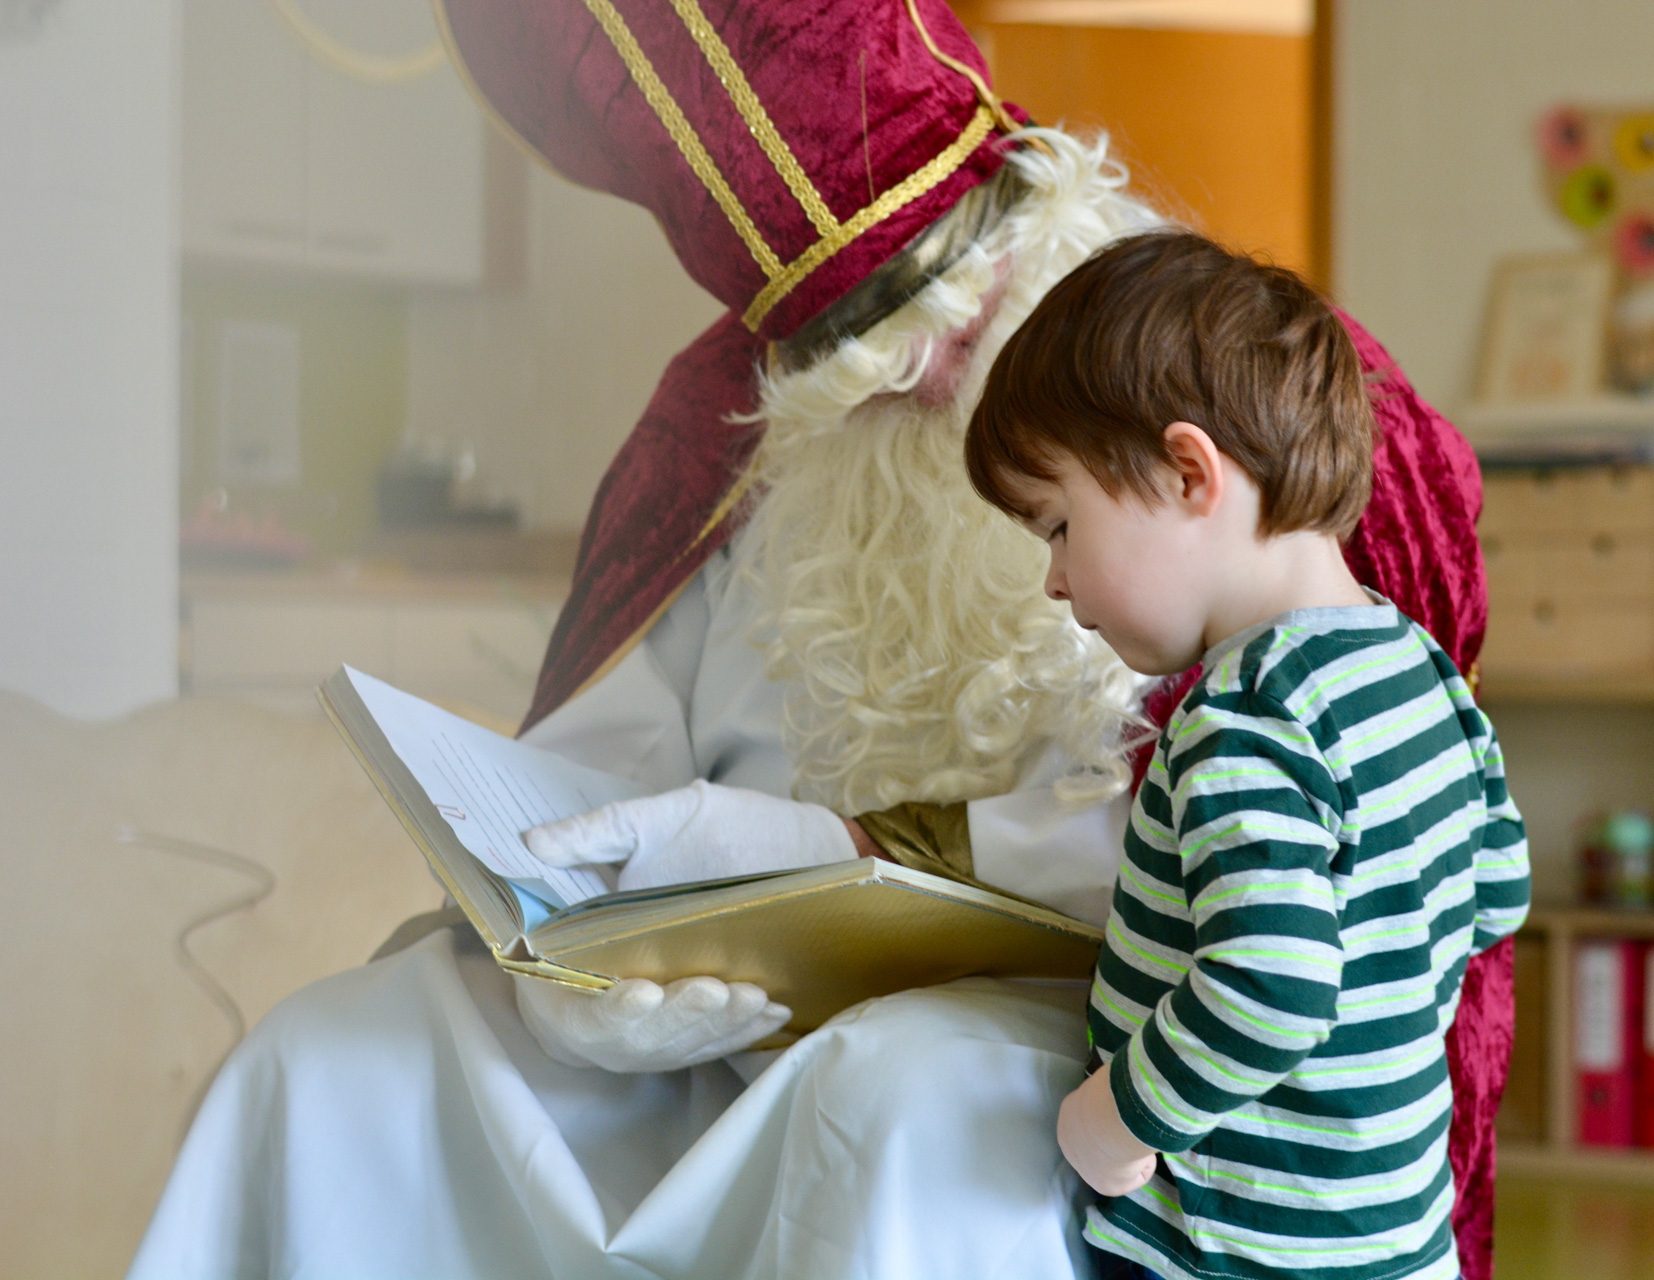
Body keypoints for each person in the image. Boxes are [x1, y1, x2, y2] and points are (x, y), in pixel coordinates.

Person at [129, 4, 1513, 1277]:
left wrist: (882, 876)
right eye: (853, 355)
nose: (919, 385)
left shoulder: (1224, 445)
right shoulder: (725, 446)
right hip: (733, 1008)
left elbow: (1288, 923)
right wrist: (607, 936)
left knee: (892, 1110)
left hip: (1065, 1020)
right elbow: (595, 774)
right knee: (345, 1052)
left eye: (941, 313)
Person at [965, 233, 1530, 1280]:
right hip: (1396, 1229)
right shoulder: (1414, 662)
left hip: (1242, 1243)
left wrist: (1118, 1118)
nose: (1053, 579)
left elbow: (1270, 984)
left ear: (1189, 472)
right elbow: (1497, 886)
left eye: (1057, 524)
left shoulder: (1243, 714)